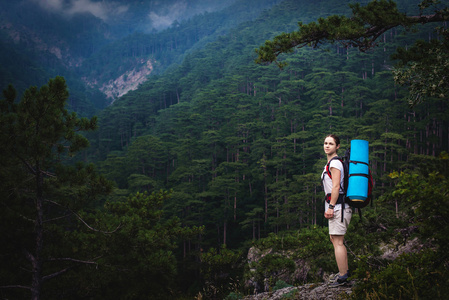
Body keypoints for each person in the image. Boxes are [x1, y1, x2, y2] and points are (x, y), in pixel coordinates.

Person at [321, 134, 352, 287]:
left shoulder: (335, 164)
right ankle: (343, 272)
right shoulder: (333, 163)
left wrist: (331, 207)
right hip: (339, 206)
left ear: (337, 146)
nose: (327, 146)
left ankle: (343, 276)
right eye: (326, 143)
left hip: (338, 207)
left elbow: (335, 187)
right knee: (335, 240)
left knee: (338, 242)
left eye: (331, 144)